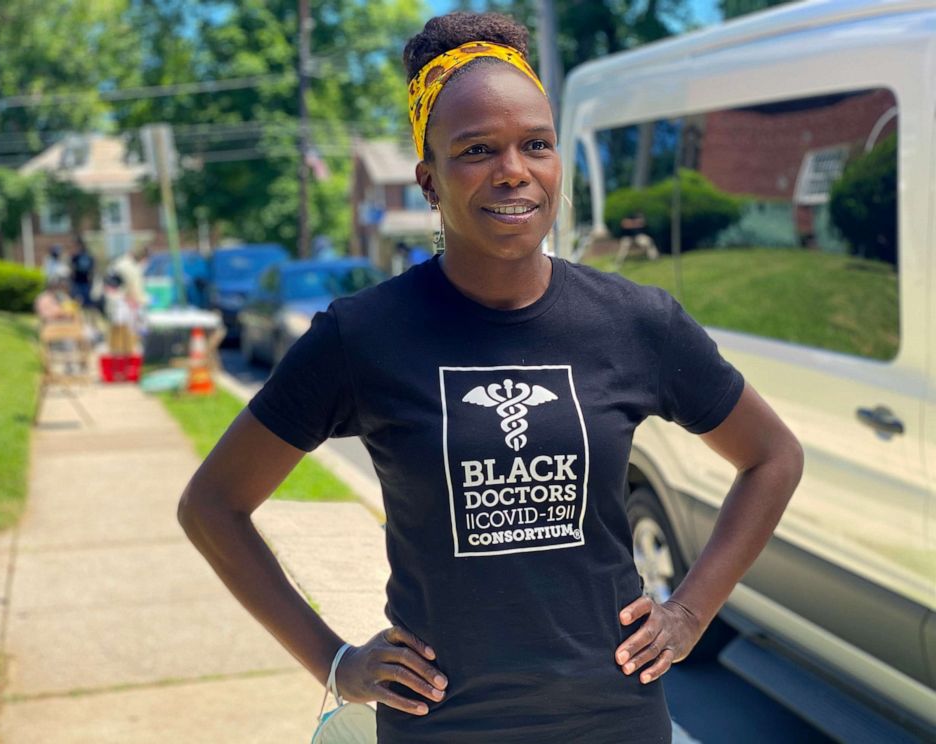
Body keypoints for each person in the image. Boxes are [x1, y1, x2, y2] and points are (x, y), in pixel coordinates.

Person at [177, 12, 803, 743]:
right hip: (441, 727)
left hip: (614, 719)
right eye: (477, 150)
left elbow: (772, 457)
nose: (514, 169)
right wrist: (335, 661)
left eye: (535, 144)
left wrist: (689, 612)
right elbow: (212, 506)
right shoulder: (364, 336)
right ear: (429, 181)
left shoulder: (634, 321)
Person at [69, 237, 95, 308]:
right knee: (83, 302)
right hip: (83, 282)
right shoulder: (88, 256)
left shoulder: (77, 256)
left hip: (80, 282)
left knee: (79, 301)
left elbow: (72, 269)